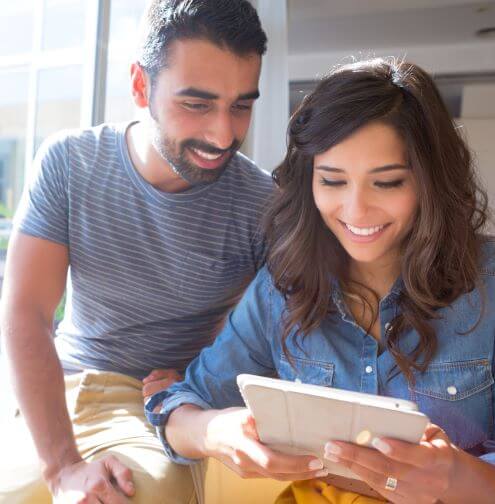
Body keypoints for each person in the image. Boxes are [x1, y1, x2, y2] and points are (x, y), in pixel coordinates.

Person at [146, 58, 495, 504]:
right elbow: (181, 404)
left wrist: (453, 477)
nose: (355, 211)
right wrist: (212, 433)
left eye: (386, 183)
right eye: (332, 181)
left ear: (431, 181)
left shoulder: (486, 285)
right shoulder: (285, 284)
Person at [0, 1, 272, 503]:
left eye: (241, 105)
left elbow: (280, 331)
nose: (224, 134)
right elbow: (25, 313)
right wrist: (63, 467)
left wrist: (204, 381)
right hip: (65, 386)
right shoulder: (69, 163)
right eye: (197, 104)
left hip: (164, 401)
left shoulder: (263, 205)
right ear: (141, 87)